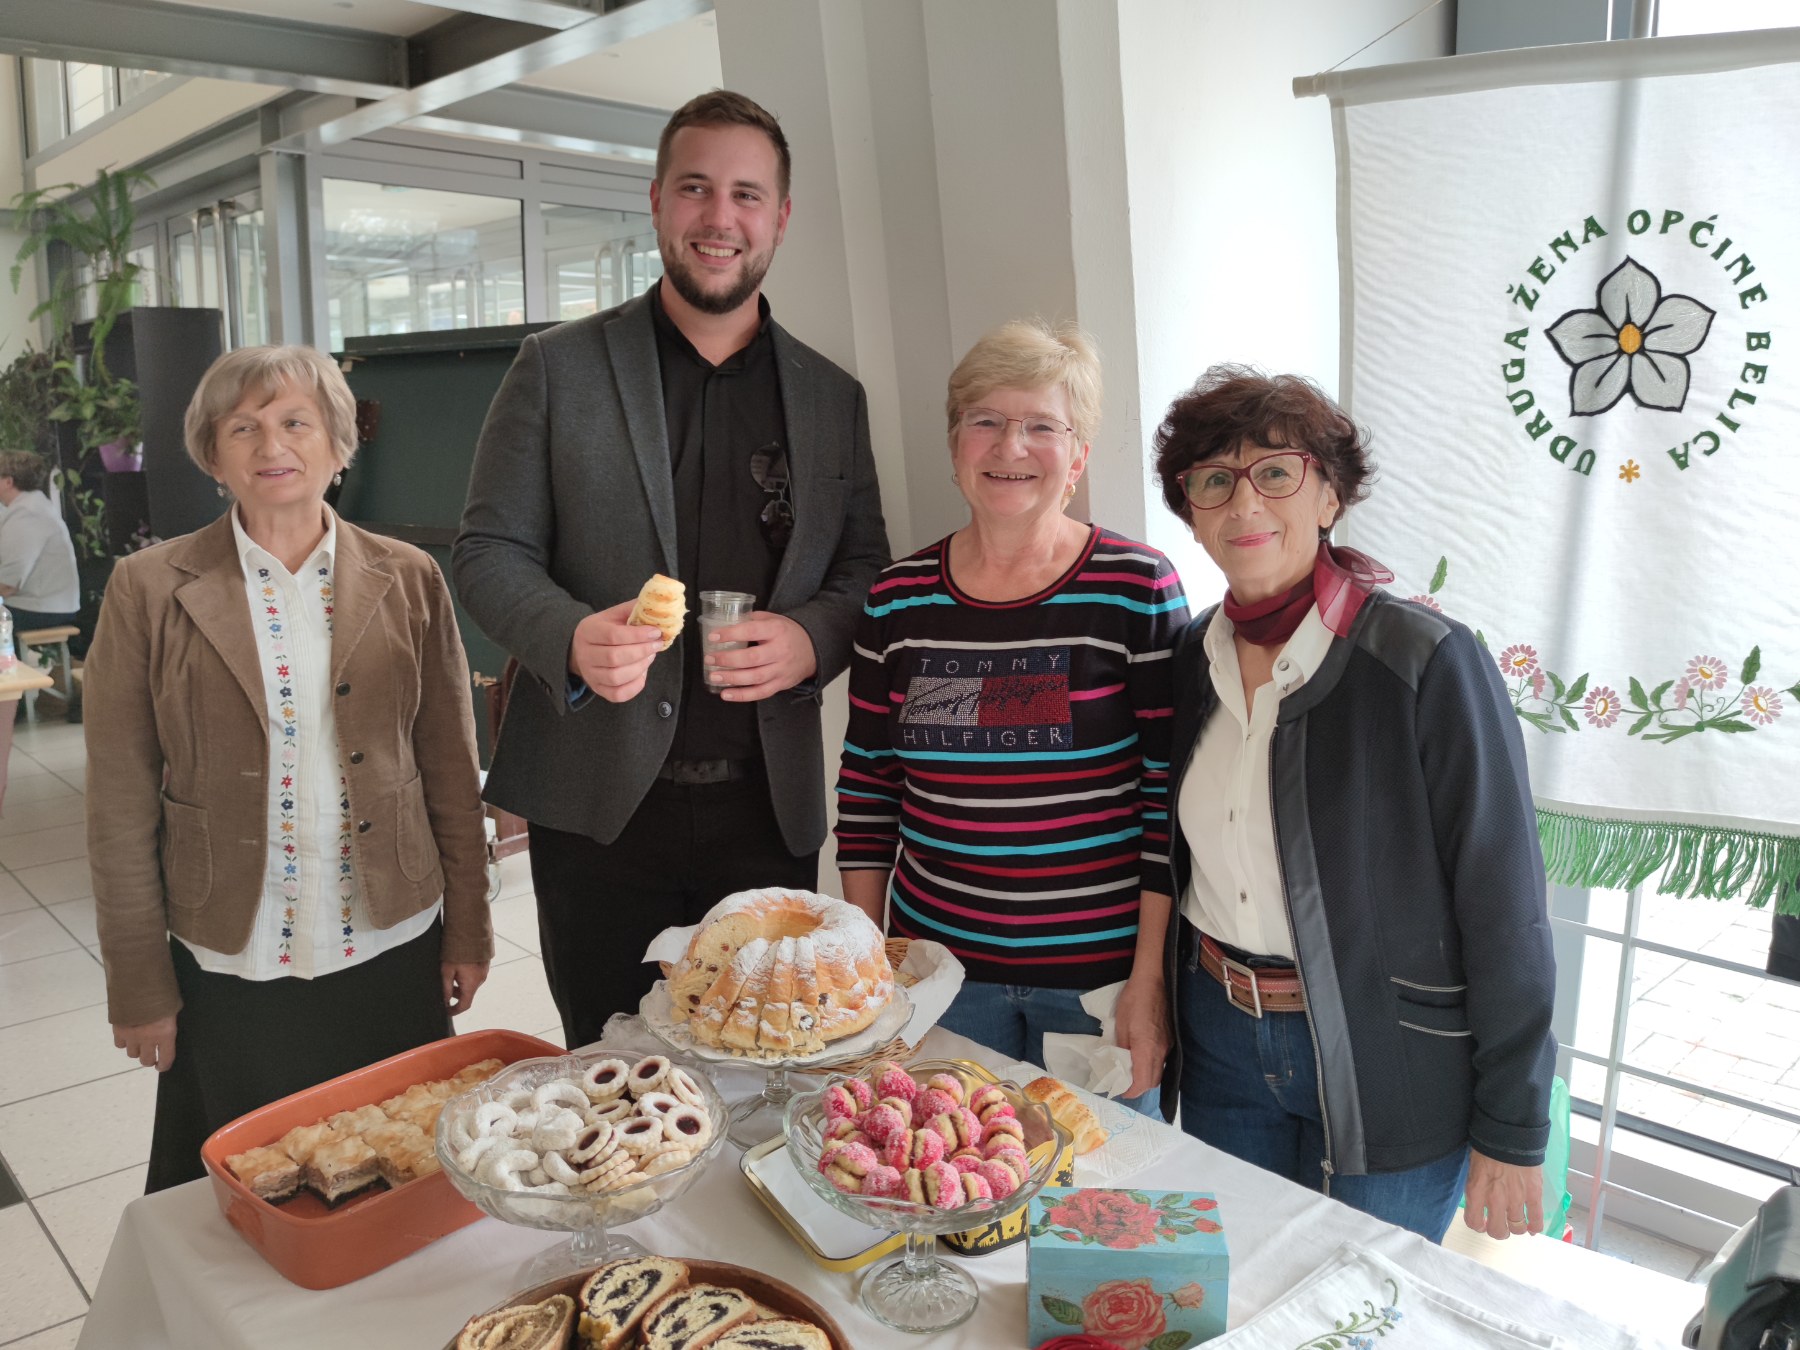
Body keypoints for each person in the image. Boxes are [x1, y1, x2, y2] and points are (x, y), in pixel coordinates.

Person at [454, 90, 888, 1050]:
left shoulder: (831, 396)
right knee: (612, 1073)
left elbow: (866, 570)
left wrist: (812, 638)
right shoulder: (556, 369)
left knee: (769, 1067)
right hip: (601, 812)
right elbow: (487, 553)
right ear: (657, 202)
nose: (719, 217)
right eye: (696, 188)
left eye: (745, 193)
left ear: (780, 217)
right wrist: (569, 635)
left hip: (766, 815)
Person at [1151, 365, 1556, 1241]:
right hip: (1221, 1037)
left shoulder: (1424, 661)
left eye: (1276, 471)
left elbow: (1507, 906)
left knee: (1357, 1312)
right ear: (1191, 513)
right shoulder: (1191, 659)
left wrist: (1514, 1129)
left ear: (1330, 496)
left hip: (1390, 1057)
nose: (1244, 502)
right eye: (1214, 480)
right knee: (1246, 1293)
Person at [85, 345, 492, 1192]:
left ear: (339, 445)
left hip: (388, 942)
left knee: (401, 1181)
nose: (273, 444)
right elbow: (120, 802)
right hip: (234, 960)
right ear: (213, 454)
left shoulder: (411, 579)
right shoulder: (148, 588)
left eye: (296, 421)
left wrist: (469, 925)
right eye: (245, 426)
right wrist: (138, 980)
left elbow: (452, 768)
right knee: (247, 1198)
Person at [836, 319, 1187, 1112]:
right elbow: (867, 792)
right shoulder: (899, 599)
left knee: (1092, 1214)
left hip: (1097, 987)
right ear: (956, 442)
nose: (1010, 447)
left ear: (1079, 456)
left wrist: (1149, 981)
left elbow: (1167, 805)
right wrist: (870, 968)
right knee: (948, 1194)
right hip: (938, 980)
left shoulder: (1135, 589)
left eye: (1041, 426)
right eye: (985, 421)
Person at [0, 449, 81, 630]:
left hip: (42, 608)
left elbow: (8, 585)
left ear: (8, 482)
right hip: (41, 604)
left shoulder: (27, 514)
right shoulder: (28, 505)